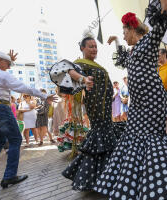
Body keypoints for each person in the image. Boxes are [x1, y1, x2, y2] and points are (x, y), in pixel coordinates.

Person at [94, 1, 167, 199]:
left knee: (150, 136)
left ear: (132, 29)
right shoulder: (133, 51)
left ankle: (165, 182)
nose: (123, 36)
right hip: (138, 102)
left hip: (151, 99)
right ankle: (140, 182)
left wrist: (166, 6)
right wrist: (116, 40)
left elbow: (162, 22)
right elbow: (123, 58)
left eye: (123, 32)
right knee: (134, 135)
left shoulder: (149, 41)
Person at [0, 50, 57, 189]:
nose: (9, 67)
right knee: (16, 139)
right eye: (7, 63)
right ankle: (9, 176)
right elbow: (23, 87)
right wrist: (44, 96)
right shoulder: (1, 74)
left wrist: (8, 60)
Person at [53, 33, 125, 191]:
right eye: (91, 46)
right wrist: (82, 79)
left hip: (105, 109)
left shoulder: (96, 65)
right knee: (100, 136)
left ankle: (106, 177)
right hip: (95, 108)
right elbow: (64, 69)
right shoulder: (80, 63)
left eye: (95, 47)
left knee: (106, 136)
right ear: (82, 48)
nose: (94, 49)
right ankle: (101, 178)